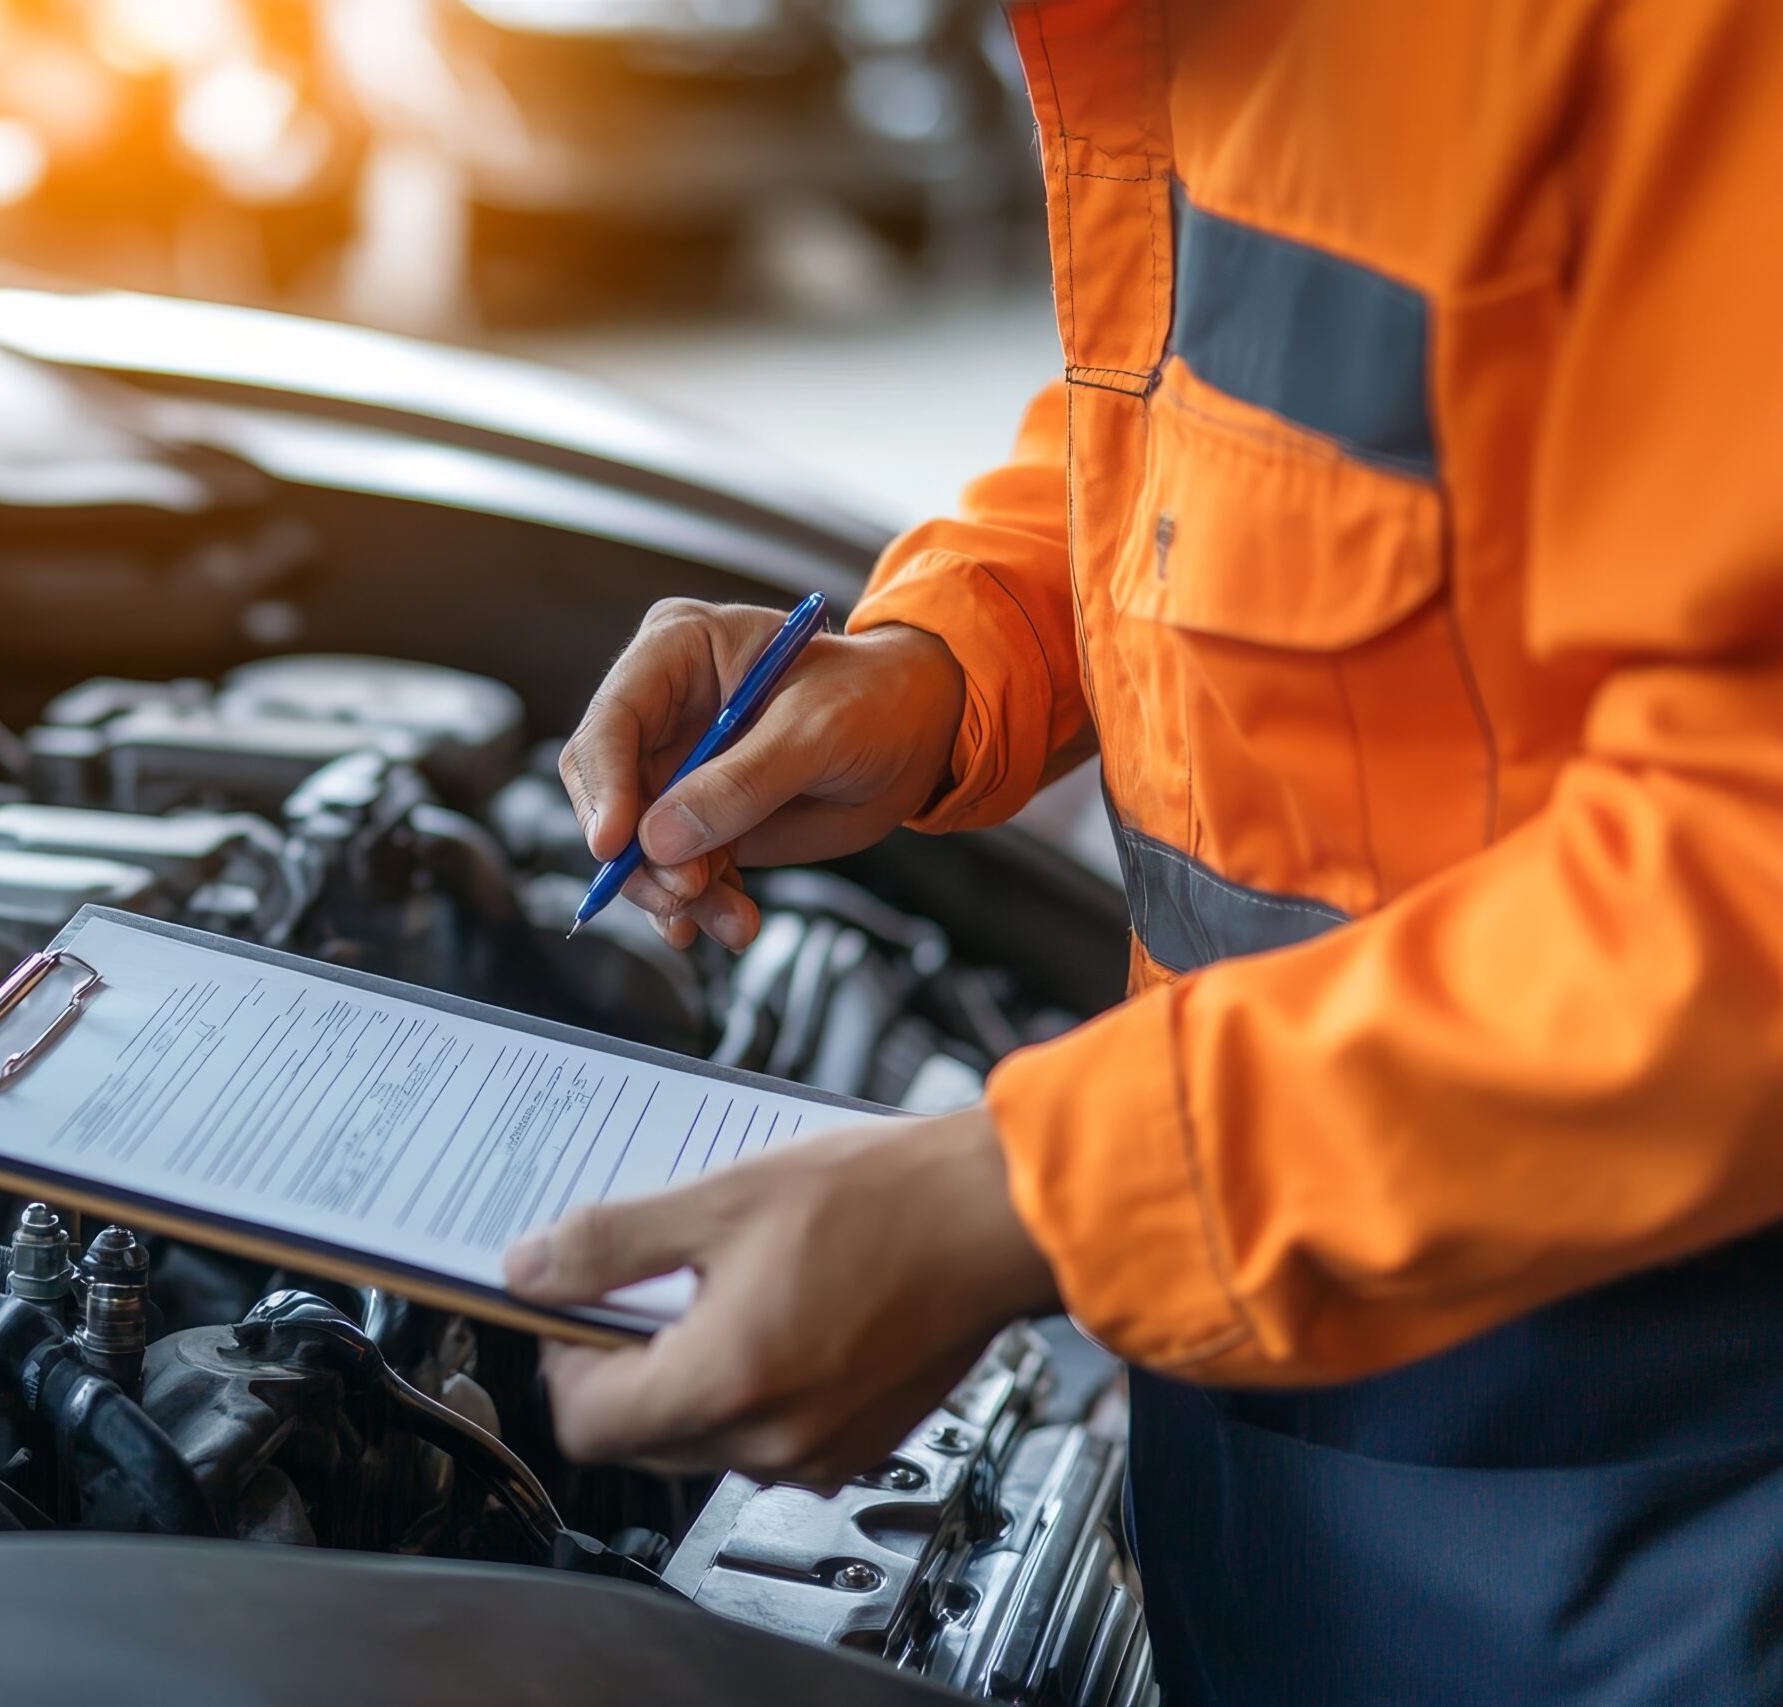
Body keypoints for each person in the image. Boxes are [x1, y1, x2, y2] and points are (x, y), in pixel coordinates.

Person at [499, 0, 1783, 1699]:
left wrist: (1033, 1194)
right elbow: (1235, 417)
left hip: (1665, 1462)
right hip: (1271, 1369)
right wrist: (946, 663)